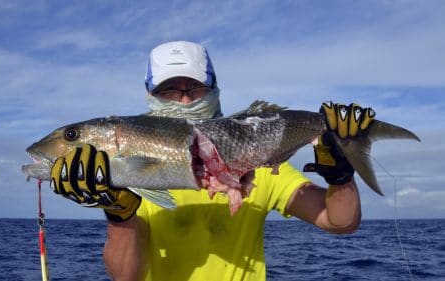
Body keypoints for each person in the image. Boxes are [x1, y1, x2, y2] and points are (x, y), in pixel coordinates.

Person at [50, 41, 375, 281]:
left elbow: (339, 221)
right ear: (150, 96)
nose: (186, 98)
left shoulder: (255, 158)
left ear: (214, 91)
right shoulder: (131, 176)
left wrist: (341, 176)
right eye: (170, 90)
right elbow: (126, 277)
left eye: (194, 86)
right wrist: (119, 212)